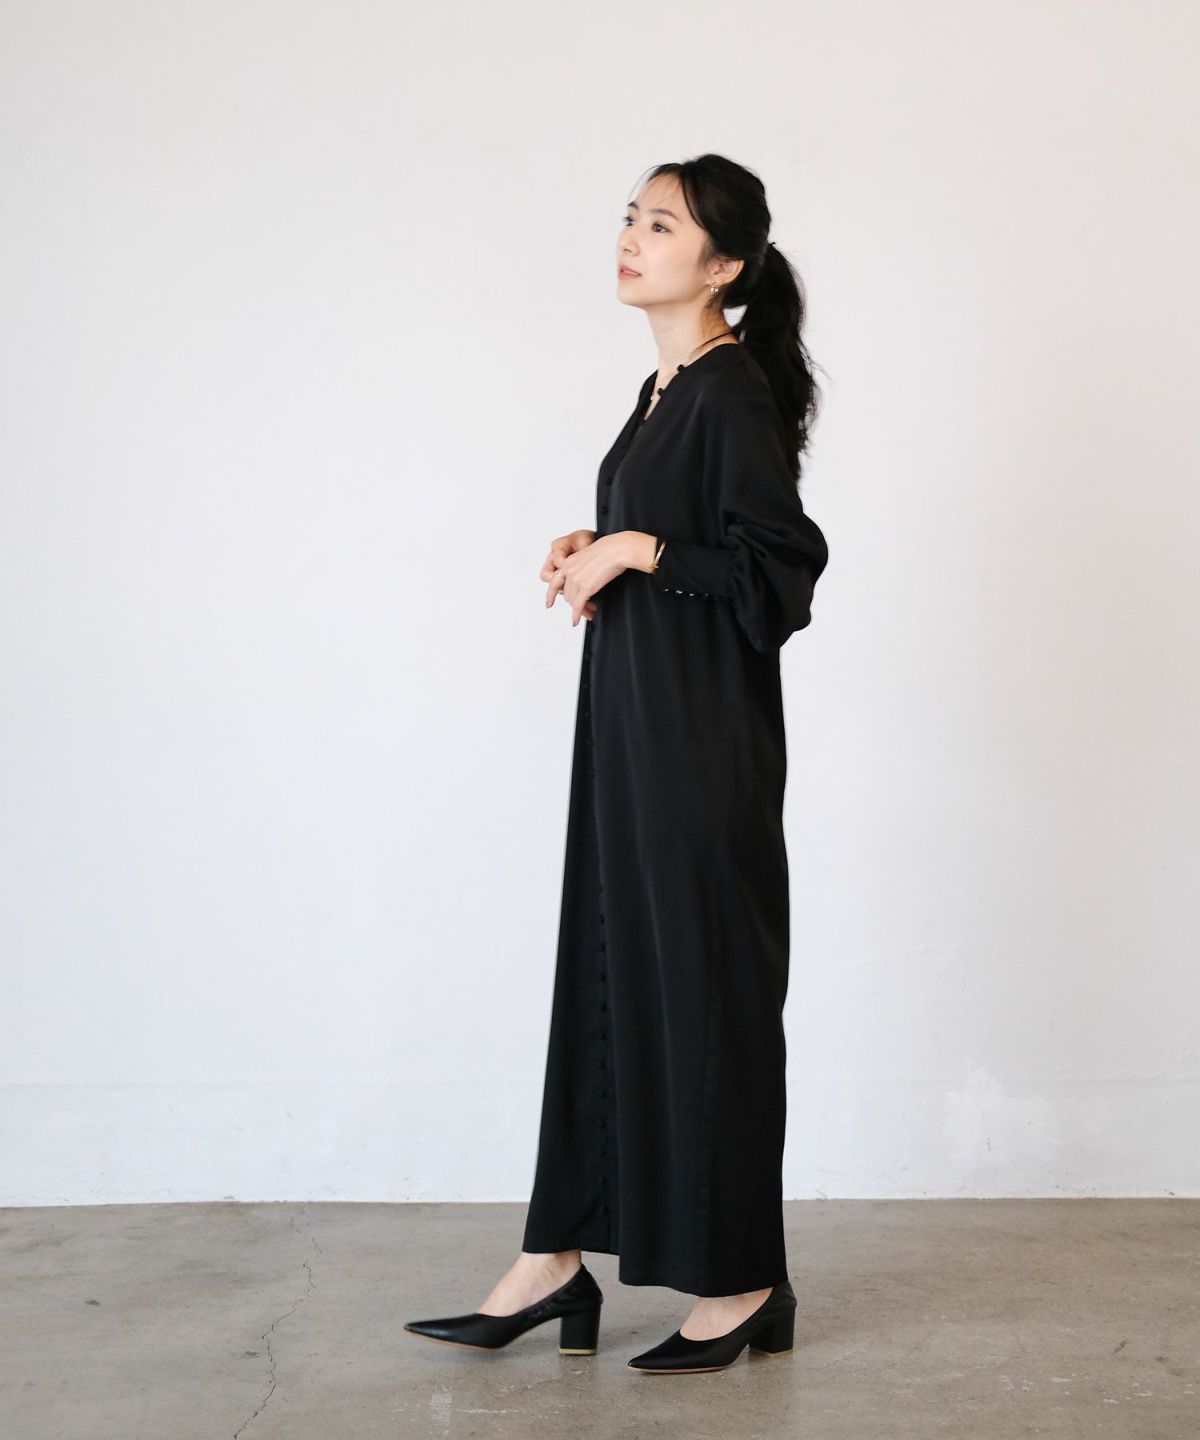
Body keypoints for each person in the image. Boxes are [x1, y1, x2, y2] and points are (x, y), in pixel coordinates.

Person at [405, 153, 830, 1375]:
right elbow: (691, 542)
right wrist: (602, 544)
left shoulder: (730, 392)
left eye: (662, 225)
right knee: (605, 974)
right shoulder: (664, 392)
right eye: (631, 218)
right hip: (635, 732)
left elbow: (780, 573)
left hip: (700, 752)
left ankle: (743, 1286)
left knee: (704, 1000)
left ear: (725, 265)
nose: (632, 239)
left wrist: (641, 549)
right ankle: (555, 1260)